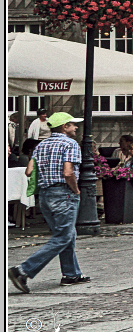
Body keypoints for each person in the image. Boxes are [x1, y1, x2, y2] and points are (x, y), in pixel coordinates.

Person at [9, 113, 88, 292]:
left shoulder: (41, 145)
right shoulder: (70, 144)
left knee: (66, 234)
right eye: (72, 125)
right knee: (64, 236)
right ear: (64, 127)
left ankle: (71, 273)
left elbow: (29, 171)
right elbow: (68, 173)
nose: (75, 127)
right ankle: (23, 270)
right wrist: (75, 190)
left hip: (45, 196)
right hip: (63, 194)